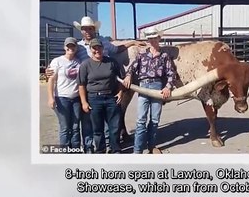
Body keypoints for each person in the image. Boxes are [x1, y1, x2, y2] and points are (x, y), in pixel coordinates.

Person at [46, 16, 145, 153]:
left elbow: (117, 50)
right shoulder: (78, 46)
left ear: (94, 29)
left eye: (90, 28)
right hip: (84, 87)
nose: (87, 31)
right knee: (86, 122)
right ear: (81, 31)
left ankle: (109, 147)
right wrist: (49, 70)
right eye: (85, 29)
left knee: (104, 122)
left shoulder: (103, 42)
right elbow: (65, 60)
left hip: (103, 86)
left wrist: (132, 42)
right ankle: (89, 148)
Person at [123, 26, 177, 154]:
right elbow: (132, 67)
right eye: (150, 39)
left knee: (154, 119)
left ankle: (152, 146)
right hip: (143, 86)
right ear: (148, 40)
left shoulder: (164, 56)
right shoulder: (142, 55)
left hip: (157, 87)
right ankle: (137, 150)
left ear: (159, 38)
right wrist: (128, 75)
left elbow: (171, 73)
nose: (152, 41)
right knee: (141, 119)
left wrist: (167, 87)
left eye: (154, 38)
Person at [77, 38, 125, 154]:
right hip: (94, 98)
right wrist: (84, 102)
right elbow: (81, 85)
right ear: (90, 49)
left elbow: (120, 79)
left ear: (103, 48)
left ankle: (115, 149)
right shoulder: (85, 65)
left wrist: (120, 92)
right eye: (94, 48)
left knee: (114, 127)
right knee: (97, 129)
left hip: (110, 97)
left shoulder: (112, 62)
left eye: (99, 47)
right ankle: (100, 151)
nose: (97, 50)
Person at [47, 37, 82, 150]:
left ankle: (75, 148)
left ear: (76, 48)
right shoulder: (57, 61)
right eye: (68, 46)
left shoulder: (79, 62)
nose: (70, 48)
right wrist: (50, 98)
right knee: (65, 127)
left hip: (76, 98)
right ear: (64, 47)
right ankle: (65, 150)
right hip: (62, 98)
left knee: (76, 126)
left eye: (73, 46)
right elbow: (51, 79)